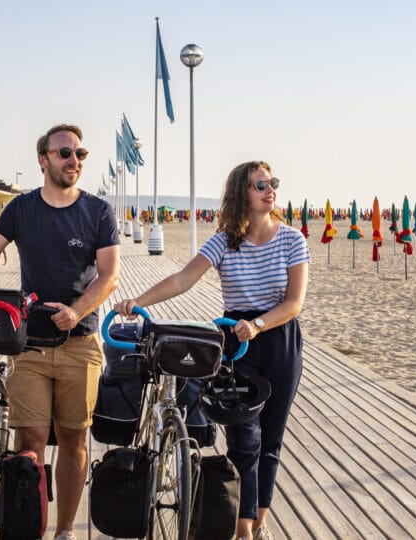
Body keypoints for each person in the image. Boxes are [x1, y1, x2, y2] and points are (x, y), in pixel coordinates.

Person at [0, 123, 120, 540]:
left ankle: (65, 529)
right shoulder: (22, 208)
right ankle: (28, 526)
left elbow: (109, 277)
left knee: (72, 440)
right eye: (64, 153)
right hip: (27, 342)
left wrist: (78, 308)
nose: (74, 161)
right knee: (29, 439)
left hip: (79, 341)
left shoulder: (98, 212)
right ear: (43, 159)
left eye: (80, 154)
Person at [114, 161, 309, 540]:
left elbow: (294, 302)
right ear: (242, 193)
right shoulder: (224, 240)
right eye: (260, 185)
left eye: (273, 184)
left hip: (279, 339)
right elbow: (184, 278)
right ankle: (243, 528)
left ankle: (258, 523)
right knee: (243, 438)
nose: (270, 190)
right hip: (236, 344)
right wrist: (139, 300)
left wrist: (259, 324)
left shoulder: (292, 239)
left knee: (270, 438)